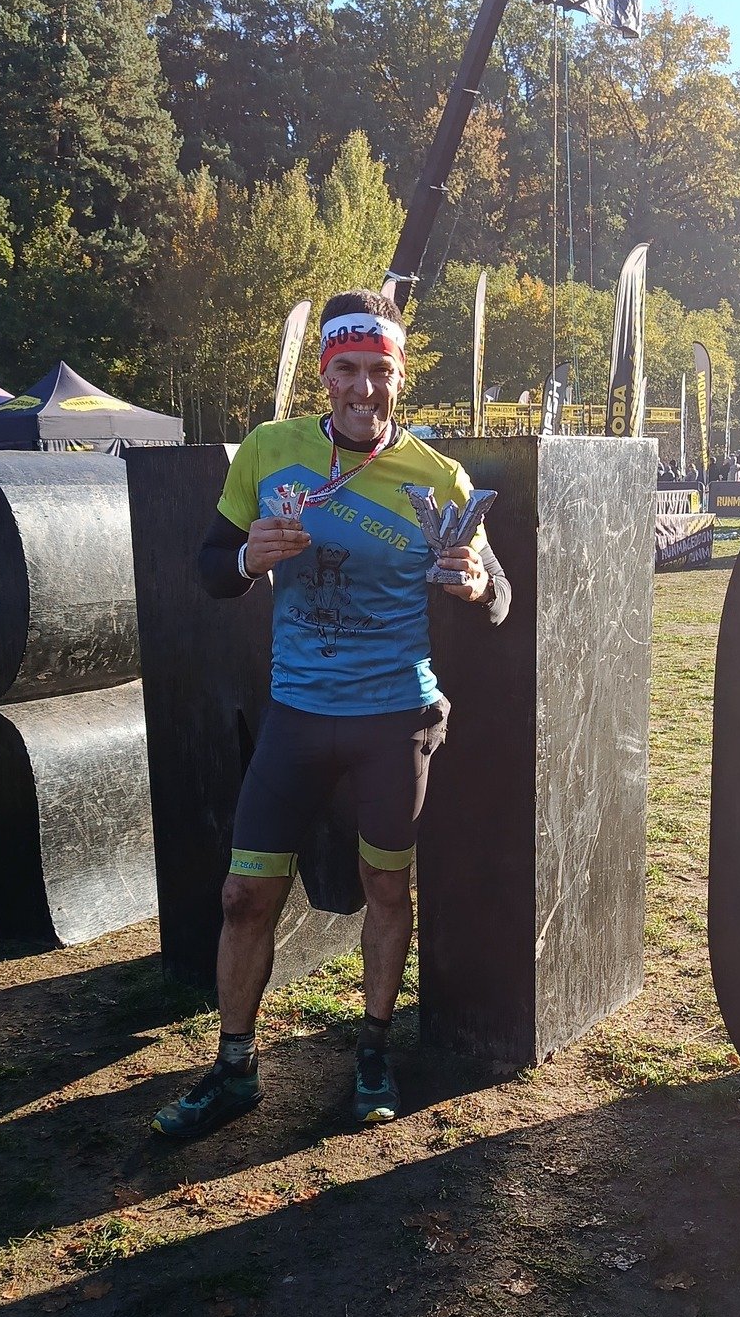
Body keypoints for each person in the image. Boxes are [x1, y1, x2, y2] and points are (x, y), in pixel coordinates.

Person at [152, 289, 510, 1141]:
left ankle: (374, 1053)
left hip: (395, 719)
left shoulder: (438, 477)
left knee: (385, 887)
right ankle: (234, 1068)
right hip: (298, 716)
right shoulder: (270, 452)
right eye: (346, 369)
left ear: (399, 376)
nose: (363, 387)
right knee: (245, 895)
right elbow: (209, 567)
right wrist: (248, 558)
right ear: (326, 375)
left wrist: (474, 584)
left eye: (379, 371)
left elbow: (498, 595)